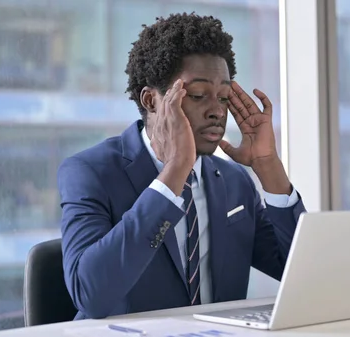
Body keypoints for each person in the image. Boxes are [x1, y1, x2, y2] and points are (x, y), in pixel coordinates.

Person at [58, 13, 307, 320]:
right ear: (151, 101)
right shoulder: (90, 172)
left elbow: (304, 277)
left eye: (225, 97)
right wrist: (174, 171)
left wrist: (267, 166)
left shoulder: (234, 181)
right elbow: (91, 295)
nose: (217, 111)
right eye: (199, 95)